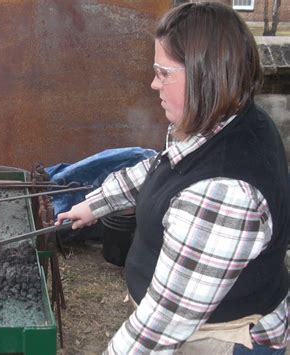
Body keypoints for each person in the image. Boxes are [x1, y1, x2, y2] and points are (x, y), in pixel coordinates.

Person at [56, 2, 289, 354]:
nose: (153, 83)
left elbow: (161, 324)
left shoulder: (223, 193)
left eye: (163, 73)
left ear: (204, 76)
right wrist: (94, 204)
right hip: (189, 327)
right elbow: (159, 170)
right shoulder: (222, 121)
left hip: (217, 341)